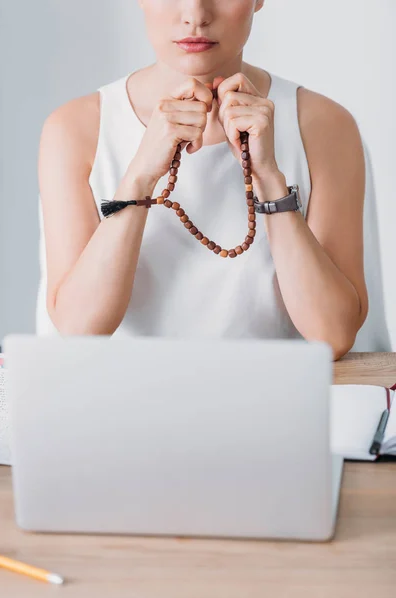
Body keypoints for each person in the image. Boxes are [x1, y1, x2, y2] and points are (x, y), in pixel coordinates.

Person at [37, 0, 369, 361]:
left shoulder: (323, 124)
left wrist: (268, 177)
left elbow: (332, 334)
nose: (196, 13)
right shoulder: (76, 128)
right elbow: (77, 327)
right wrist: (140, 176)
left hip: (272, 405)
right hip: (116, 407)